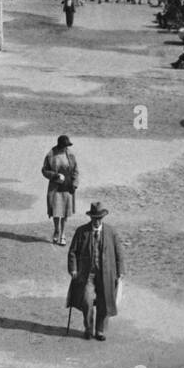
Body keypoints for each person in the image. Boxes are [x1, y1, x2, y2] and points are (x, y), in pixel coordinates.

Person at [66, 203, 124, 341]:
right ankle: (88, 328)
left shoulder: (111, 232)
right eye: (94, 218)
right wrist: (73, 269)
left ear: (102, 218)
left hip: (106, 274)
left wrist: (120, 271)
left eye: (99, 218)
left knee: (105, 302)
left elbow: (119, 253)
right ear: (91, 218)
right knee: (86, 301)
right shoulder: (82, 231)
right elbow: (72, 252)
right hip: (87, 274)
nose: (97, 221)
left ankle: (100, 331)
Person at [42, 135, 79, 245]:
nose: (65, 148)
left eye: (67, 146)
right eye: (64, 146)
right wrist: (55, 176)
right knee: (56, 212)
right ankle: (56, 231)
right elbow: (44, 170)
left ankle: (63, 234)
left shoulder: (71, 155)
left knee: (65, 212)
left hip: (67, 187)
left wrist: (75, 184)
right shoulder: (51, 154)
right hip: (56, 188)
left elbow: (76, 171)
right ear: (59, 145)